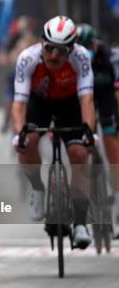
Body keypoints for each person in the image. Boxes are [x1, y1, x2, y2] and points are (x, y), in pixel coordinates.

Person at [12, 16, 96, 249]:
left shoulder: (81, 58)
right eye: (49, 48)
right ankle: (38, 188)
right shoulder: (27, 58)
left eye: (61, 50)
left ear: (71, 48)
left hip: (69, 104)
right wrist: (19, 132)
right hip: (39, 103)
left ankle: (80, 223)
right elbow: (19, 104)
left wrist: (89, 131)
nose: (54, 56)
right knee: (26, 144)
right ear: (42, 43)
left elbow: (87, 99)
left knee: (80, 154)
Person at [75, 24, 119, 235]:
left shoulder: (110, 57)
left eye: (88, 46)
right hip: (84, 99)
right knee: (81, 147)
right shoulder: (74, 58)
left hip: (107, 98)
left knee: (113, 149)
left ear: (95, 44)